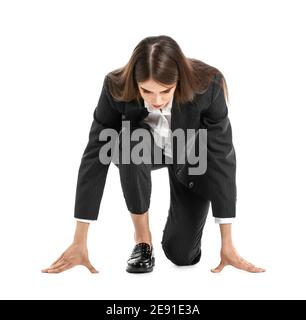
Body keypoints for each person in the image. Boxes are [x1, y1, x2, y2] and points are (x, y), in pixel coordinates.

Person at [42, 35, 265, 274]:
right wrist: (80, 239)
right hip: (142, 147)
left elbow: (221, 156)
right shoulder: (115, 86)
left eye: (166, 91)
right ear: (135, 82)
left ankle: (178, 235)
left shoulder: (208, 85)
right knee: (128, 141)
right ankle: (142, 240)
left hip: (190, 157)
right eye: (146, 91)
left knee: (183, 256)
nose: (156, 100)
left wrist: (227, 243)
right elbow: (95, 155)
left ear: (179, 80)